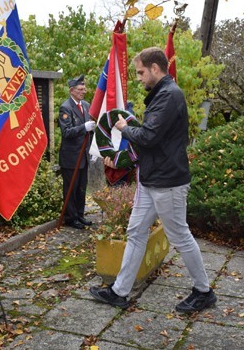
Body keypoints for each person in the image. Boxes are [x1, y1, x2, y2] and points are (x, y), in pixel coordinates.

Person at [89, 47, 216, 312]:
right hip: (152, 179)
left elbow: (148, 137)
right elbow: (152, 142)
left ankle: (203, 291)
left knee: (179, 235)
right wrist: (121, 157)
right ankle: (119, 292)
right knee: (135, 232)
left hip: (167, 181)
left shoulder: (169, 96)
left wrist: (124, 128)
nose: (139, 78)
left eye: (141, 72)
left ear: (155, 69)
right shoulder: (162, 95)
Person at [58, 75, 95, 230]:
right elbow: (66, 132)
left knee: (81, 188)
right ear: (71, 90)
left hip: (84, 156)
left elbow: (91, 131)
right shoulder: (65, 108)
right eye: (80, 89)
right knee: (71, 189)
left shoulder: (86, 105)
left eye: (84, 88)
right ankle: (70, 218)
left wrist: (93, 149)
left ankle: (80, 215)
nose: (83, 91)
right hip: (71, 156)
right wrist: (83, 128)